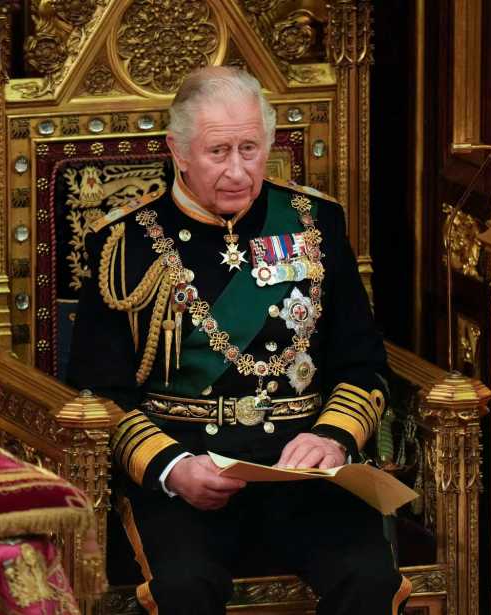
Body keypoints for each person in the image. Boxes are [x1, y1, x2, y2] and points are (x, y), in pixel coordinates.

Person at [68, 66, 407, 614]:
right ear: (178, 151)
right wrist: (172, 468)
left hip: (305, 471)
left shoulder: (314, 222)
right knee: (185, 589)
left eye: (250, 149)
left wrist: (333, 439)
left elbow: (361, 360)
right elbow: (98, 392)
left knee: (369, 579)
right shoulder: (124, 243)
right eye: (217, 151)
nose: (237, 171)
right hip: (188, 474)